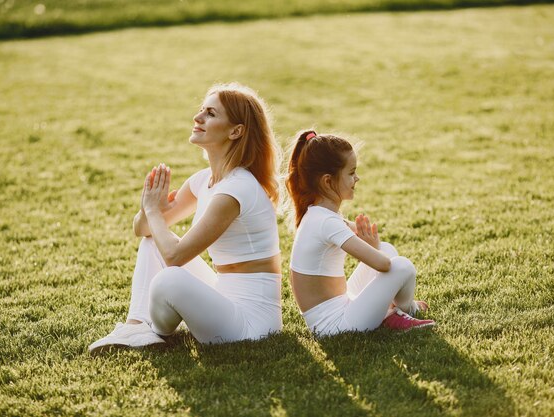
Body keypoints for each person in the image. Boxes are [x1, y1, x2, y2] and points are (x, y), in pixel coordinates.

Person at [89, 83, 282, 354]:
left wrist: (155, 212)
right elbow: (142, 229)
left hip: (252, 324)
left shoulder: (237, 189)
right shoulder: (204, 180)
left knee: (170, 279)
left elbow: (175, 257)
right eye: (201, 110)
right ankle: (136, 326)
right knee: (152, 243)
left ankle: (146, 330)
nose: (198, 117)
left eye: (211, 114)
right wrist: (148, 208)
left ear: (235, 131)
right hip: (222, 295)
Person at [286, 130, 435, 336]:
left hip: (342, 306)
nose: (357, 178)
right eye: (351, 173)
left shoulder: (319, 215)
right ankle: (406, 309)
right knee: (402, 266)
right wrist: (372, 249)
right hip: (335, 326)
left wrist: (374, 247)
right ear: (327, 181)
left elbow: (374, 252)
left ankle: (390, 311)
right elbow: (383, 265)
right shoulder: (326, 222)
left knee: (387, 249)